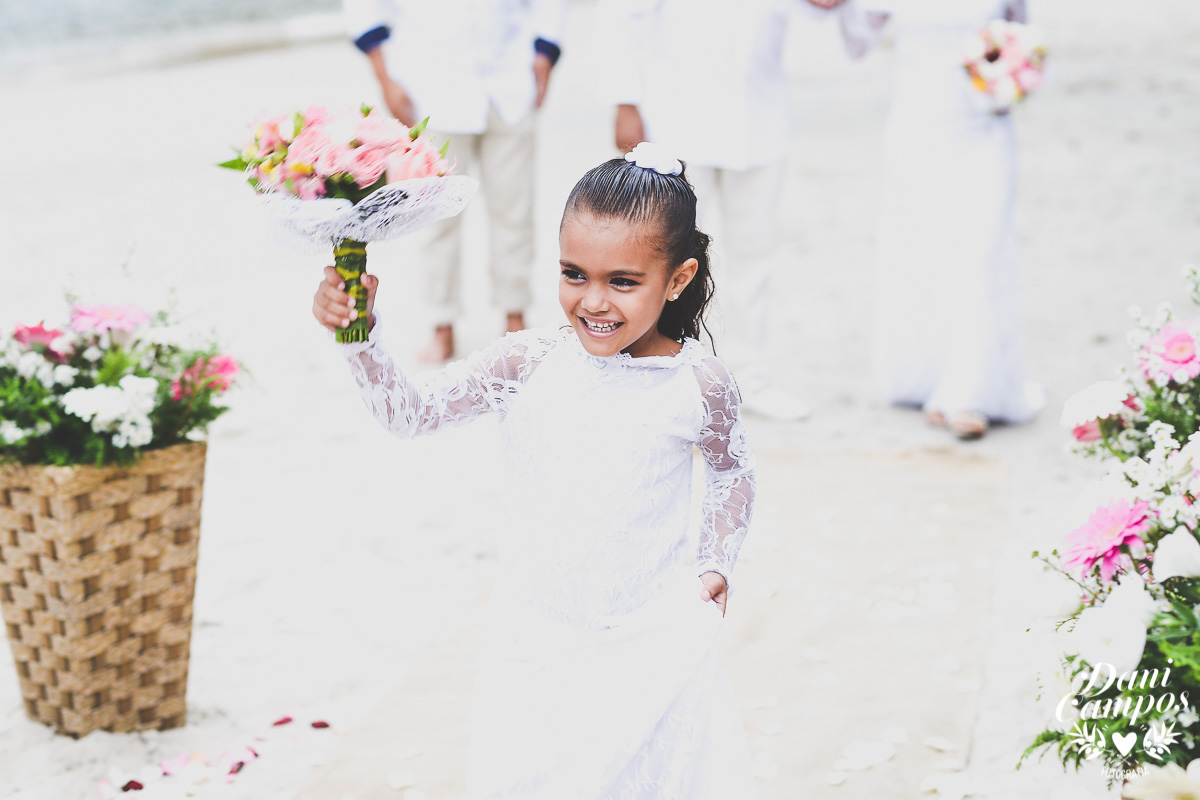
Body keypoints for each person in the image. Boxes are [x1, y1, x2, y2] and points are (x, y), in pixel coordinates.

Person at [312, 143, 759, 798]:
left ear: (679, 278)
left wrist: (716, 561)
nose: (593, 302)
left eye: (622, 281)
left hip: (649, 638)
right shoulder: (524, 362)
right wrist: (360, 337)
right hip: (535, 640)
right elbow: (412, 414)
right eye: (574, 274)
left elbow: (732, 471)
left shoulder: (697, 383)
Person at [595, 0, 851, 422]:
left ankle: (751, 378)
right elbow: (623, 14)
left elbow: (817, 11)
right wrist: (625, 101)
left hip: (759, 115)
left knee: (756, 253)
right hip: (677, 113)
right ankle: (661, 374)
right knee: (668, 253)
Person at [839, 0, 1044, 439]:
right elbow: (857, 42)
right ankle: (929, 377)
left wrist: (1011, 75)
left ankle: (971, 391)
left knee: (981, 251)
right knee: (922, 249)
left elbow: (1022, 34)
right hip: (917, 128)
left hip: (983, 127)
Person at [343, 0, 567, 362]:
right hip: (431, 89)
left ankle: (515, 318)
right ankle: (441, 325)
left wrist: (545, 54)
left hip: (510, 83)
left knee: (514, 210)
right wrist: (385, 78)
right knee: (434, 218)